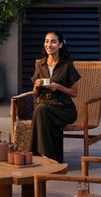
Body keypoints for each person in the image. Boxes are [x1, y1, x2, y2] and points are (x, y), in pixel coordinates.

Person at [29, 31, 81, 163]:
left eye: (53, 41)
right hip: (46, 108)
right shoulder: (40, 65)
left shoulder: (67, 65)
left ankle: (35, 155)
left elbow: (74, 92)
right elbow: (35, 94)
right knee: (41, 111)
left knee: (40, 111)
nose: (49, 45)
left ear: (60, 45)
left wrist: (59, 87)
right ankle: (52, 158)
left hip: (64, 109)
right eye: (46, 41)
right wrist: (36, 85)